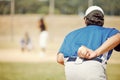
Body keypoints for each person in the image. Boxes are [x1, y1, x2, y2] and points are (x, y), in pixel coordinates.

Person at [57, 6, 120, 80]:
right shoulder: (108, 31)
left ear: (85, 20)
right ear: (102, 20)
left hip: (71, 69)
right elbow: (118, 37)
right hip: (94, 66)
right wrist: (96, 53)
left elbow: (60, 58)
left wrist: (78, 66)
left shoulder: (71, 34)